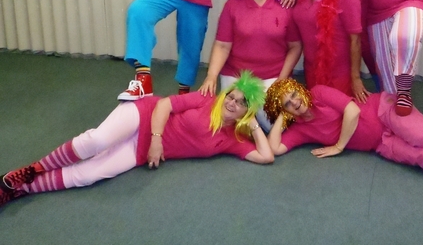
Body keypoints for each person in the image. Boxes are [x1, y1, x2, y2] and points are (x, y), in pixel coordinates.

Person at [0, 72, 273, 208]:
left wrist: (254, 126)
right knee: (98, 141)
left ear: (247, 111)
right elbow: (165, 104)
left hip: (139, 150)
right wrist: (157, 139)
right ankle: (33, 169)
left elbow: (266, 156)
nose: (232, 103)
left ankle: (22, 189)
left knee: (88, 175)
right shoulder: (206, 100)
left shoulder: (231, 139)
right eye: (231, 96)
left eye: (241, 103)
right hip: (144, 116)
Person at [264, 78, 423, 218]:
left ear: (299, 90)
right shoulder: (301, 129)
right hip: (381, 144)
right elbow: (275, 148)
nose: (295, 102)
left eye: (293, 94)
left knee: (422, 135)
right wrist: (281, 118)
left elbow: (353, 112)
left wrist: (338, 146)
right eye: (287, 104)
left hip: (382, 110)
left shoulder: (319, 93)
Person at [198, 0, 302, 132]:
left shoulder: (284, 5)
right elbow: (222, 46)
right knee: (225, 120)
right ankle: (248, 115)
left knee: (274, 126)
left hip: (273, 76)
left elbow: (295, 47)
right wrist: (211, 76)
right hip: (238, 75)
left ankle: (251, 117)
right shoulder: (232, 5)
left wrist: (282, 79)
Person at [289, 0, 368, 103]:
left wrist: (355, 78)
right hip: (311, 70)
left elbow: (355, 40)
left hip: (338, 73)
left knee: (334, 115)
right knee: (315, 111)